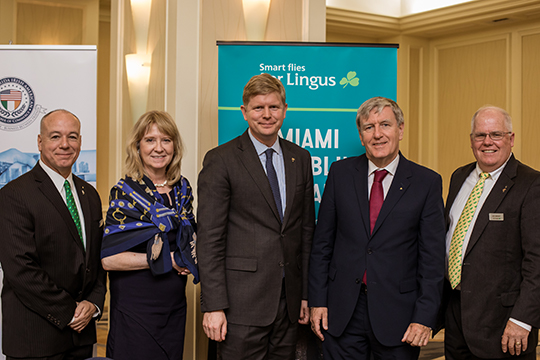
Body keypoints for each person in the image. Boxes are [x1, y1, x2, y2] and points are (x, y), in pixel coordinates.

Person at [309, 97, 446, 360]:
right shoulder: (340, 173)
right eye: (369, 127)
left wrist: (425, 317)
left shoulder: (426, 182)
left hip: (400, 317)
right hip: (342, 312)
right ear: (361, 136)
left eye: (385, 124)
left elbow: (432, 259)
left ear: (401, 130)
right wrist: (318, 301)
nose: (378, 134)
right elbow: (322, 244)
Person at [197, 73, 315, 360]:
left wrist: (305, 294)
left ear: (284, 110)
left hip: (288, 304)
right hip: (240, 305)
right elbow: (210, 238)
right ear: (245, 112)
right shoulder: (221, 160)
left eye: (274, 107)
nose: (267, 115)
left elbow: (305, 231)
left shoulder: (300, 158)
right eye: (258, 108)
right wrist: (213, 306)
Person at [0, 109, 106, 360]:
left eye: (72, 136)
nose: (65, 145)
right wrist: (69, 312)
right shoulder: (14, 195)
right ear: (39, 142)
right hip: (36, 339)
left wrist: (94, 302)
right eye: (55, 136)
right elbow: (20, 269)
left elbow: (97, 258)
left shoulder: (89, 194)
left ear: (80, 141)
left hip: (81, 336)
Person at [442, 106, 540, 359]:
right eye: (480, 135)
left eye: (496, 134)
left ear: (511, 138)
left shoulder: (531, 184)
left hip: (504, 324)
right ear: (471, 140)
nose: (487, 142)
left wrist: (523, 319)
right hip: (455, 316)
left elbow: (537, 261)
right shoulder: (459, 177)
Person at [101, 110, 198, 360]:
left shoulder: (182, 189)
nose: (159, 148)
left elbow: (191, 239)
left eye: (166, 140)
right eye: (150, 140)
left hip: (174, 306)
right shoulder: (124, 192)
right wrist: (167, 261)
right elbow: (109, 260)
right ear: (137, 146)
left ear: (175, 146)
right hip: (136, 309)